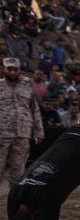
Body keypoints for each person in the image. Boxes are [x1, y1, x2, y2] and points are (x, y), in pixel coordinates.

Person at [0, 58, 44, 193]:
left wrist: (39, 132)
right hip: (1, 133)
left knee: (18, 170)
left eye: (15, 69)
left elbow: (34, 109)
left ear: (19, 70)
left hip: (22, 134)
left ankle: (15, 199)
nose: (12, 72)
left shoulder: (27, 86)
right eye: (9, 69)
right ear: (3, 69)